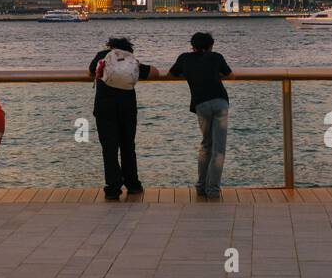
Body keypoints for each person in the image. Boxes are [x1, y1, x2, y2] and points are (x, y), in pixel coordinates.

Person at [87, 37, 159, 201]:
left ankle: (113, 188)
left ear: (110, 47)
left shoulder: (102, 56)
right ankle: (133, 185)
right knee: (128, 146)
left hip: (105, 108)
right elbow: (155, 72)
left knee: (109, 149)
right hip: (127, 108)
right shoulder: (131, 60)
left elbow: (91, 71)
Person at [168, 32, 232, 201]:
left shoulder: (184, 58)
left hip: (201, 104)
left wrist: (190, 75)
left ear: (192, 46)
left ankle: (201, 187)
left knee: (206, 144)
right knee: (219, 149)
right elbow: (229, 74)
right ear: (210, 45)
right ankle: (213, 190)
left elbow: (171, 73)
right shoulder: (216, 57)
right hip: (220, 101)